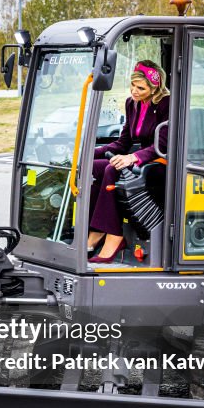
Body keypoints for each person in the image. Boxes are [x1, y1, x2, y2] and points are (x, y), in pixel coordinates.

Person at [87, 60, 170, 263]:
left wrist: (133, 157)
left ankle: (113, 235)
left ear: (155, 88)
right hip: (140, 160)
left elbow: (164, 143)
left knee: (110, 170)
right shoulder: (132, 103)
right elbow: (123, 141)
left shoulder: (166, 104)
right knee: (92, 168)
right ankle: (95, 228)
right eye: (132, 85)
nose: (134, 91)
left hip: (161, 161)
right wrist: (90, 153)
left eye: (140, 88)